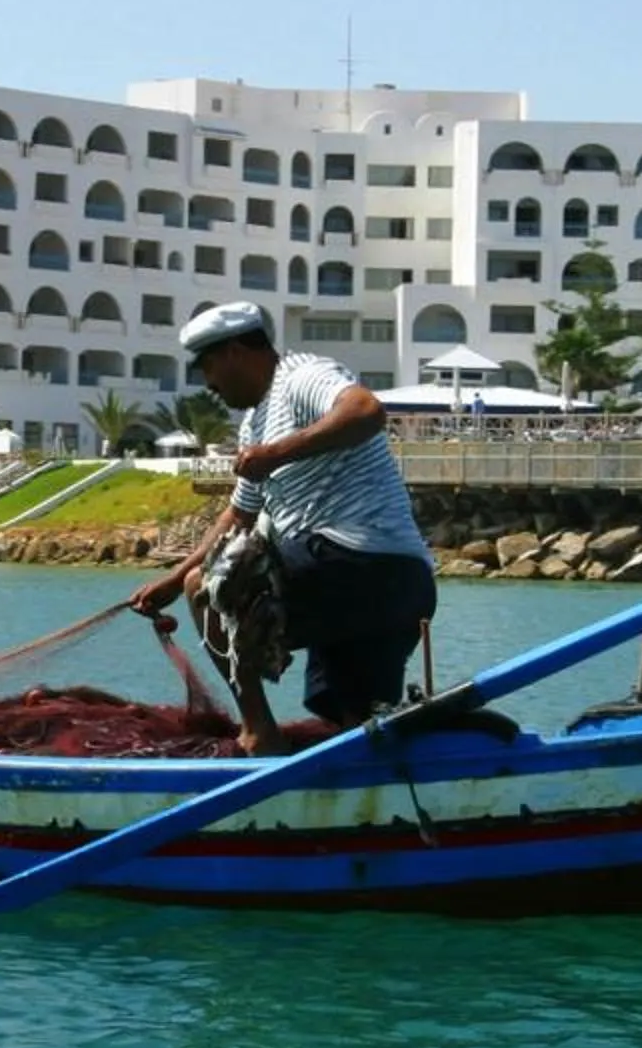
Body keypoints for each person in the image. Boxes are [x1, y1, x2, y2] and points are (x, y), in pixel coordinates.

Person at [127, 302, 436, 753]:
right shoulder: (255, 423)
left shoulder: (300, 377)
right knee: (354, 726)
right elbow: (239, 516)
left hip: (361, 564)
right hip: (390, 587)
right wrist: (173, 578)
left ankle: (258, 731)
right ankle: (366, 814)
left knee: (207, 587)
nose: (208, 384)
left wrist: (279, 453)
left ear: (235, 351)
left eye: (207, 366)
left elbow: (365, 409)